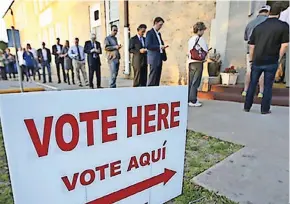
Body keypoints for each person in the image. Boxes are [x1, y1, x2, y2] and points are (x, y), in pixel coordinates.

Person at [244, 2, 289, 114]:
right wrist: (278, 57)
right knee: (268, 86)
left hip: (257, 59)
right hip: (271, 59)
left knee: (253, 83)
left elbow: (252, 45)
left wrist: (251, 59)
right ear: (279, 13)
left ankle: (247, 106)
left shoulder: (259, 27)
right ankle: (265, 109)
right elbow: (285, 44)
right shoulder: (283, 26)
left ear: (269, 12)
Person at [243, 5, 270, 98]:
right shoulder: (267, 23)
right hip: (263, 50)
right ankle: (261, 92)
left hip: (250, 51)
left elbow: (246, 38)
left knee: (249, 71)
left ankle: (245, 90)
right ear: (267, 12)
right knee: (262, 71)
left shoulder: (250, 23)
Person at [187, 22, 209, 107]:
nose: (203, 32)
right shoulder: (200, 39)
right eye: (203, 30)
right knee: (196, 82)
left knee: (191, 81)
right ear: (199, 30)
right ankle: (193, 100)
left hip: (190, 62)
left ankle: (189, 98)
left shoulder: (191, 39)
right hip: (198, 62)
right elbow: (205, 50)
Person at [146, 17, 168, 86]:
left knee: (157, 77)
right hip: (153, 58)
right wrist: (159, 47)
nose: (160, 27)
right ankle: (150, 92)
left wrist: (163, 48)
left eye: (161, 25)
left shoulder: (159, 34)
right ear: (155, 23)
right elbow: (148, 45)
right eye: (160, 25)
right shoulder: (150, 33)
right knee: (153, 77)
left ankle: (156, 92)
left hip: (159, 57)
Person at [278, 6, 289, 86]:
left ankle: (285, 79)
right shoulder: (285, 12)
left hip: (286, 38)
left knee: (284, 59)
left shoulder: (284, 13)